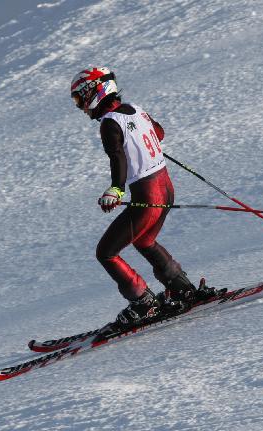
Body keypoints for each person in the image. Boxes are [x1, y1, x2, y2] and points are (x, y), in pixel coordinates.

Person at [70, 67, 209, 330]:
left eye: (78, 99)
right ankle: (182, 288)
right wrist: (140, 140)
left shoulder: (110, 122)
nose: (80, 107)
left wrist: (116, 190)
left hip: (148, 196)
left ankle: (144, 303)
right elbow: (159, 134)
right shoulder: (136, 109)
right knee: (144, 240)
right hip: (166, 191)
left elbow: (117, 158)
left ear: (93, 92)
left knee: (106, 252)